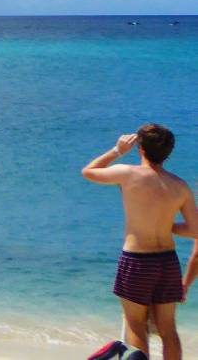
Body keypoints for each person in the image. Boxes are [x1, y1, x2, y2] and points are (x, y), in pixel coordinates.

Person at [84, 124, 198, 360]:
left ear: (141, 149)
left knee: (136, 325)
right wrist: (169, 226)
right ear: (168, 152)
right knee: (168, 330)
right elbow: (195, 229)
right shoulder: (180, 186)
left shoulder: (128, 173)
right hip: (167, 261)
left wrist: (117, 150)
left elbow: (89, 171)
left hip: (137, 260)